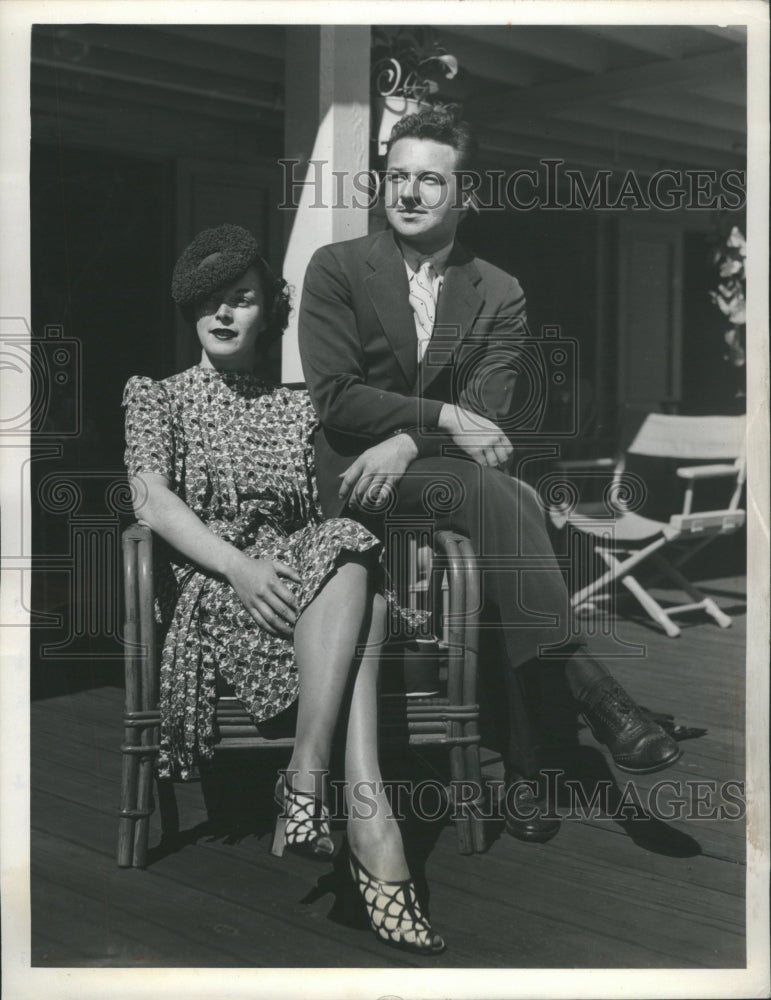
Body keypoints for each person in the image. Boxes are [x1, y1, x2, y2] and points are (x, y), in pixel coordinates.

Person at [299, 108, 682, 844]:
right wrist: (439, 427)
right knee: (506, 500)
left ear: (465, 195)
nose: (408, 193)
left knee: (503, 517)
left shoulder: (497, 289)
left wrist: (412, 441)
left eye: (429, 181)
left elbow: (489, 412)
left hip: (435, 476)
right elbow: (339, 400)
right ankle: (586, 709)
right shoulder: (338, 268)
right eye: (397, 176)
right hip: (355, 480)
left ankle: (535, 769)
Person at [122, 224, 445, 955]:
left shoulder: (302, 405)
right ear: (191, 314)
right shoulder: (158, 398)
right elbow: (152, 502)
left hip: (307, 579)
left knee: (347, 543)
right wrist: (237, 566)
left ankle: (307, 778)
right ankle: (371, 833)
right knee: (361, 587)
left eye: (241, 299)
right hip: (218, 589)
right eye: (210, 303)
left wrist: (407, 440)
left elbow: (399, 417)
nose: (225, 315)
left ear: (270, 309)